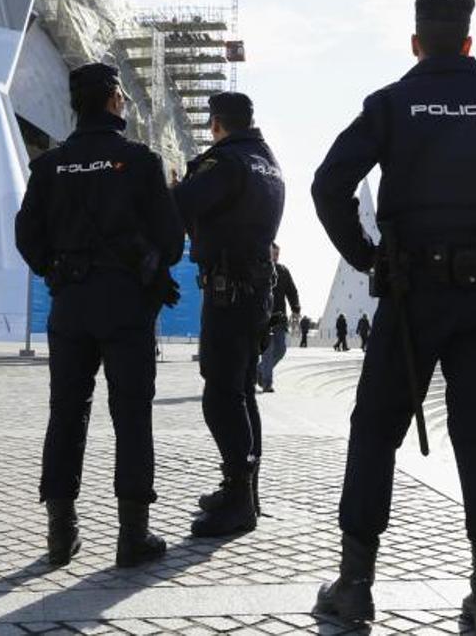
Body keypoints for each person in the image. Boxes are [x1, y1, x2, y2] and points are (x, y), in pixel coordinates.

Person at [311, 0, 476, 634]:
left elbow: (328, 184)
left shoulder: (392, 104)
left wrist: (368, 257)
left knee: (375, 432)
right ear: (469, 45)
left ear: (417, 43)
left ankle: (356, 587)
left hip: (411, 295)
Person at [16, 62, 184, 568]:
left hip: (70, 304)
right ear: (114, 100)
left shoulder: (50, 166)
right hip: (126, 305)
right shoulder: (139, 161)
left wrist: (59, 268)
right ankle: (133, 535)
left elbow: (27, 237)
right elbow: (173, 242)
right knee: (131, 414)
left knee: (66, 413)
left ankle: (59, 535)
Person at [174, 91, 284, 537]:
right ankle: (246, 490)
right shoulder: (267, 160)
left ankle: (238, 499)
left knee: (220, 394)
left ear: (216, 123)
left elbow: (180, 206)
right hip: (256, 290)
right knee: (242, 391)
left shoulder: (226, 161)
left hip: (229, 290)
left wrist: (173, 186)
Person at [257, 243, 300, 394]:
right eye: (273, 254)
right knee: (268, 351)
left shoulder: (283, 271)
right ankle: (267, 383)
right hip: (265, 318)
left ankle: (259, 370)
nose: (275, 257)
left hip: (280, 318)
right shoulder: (260, 269)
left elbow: (292, 291)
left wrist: (295, 308)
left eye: (277, 254)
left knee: (281, 349)